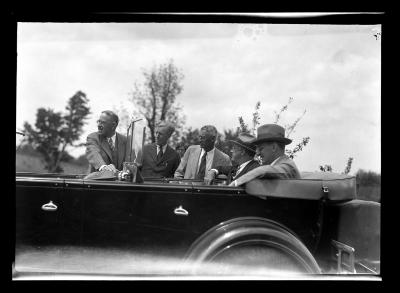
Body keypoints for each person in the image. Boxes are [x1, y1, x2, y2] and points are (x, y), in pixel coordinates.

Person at [229, 124, 300, 187]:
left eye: (261, 148)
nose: (257, 153)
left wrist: (236, 183)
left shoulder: (288, 167)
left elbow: (265, 170)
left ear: (274, 147)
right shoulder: (279, 165)